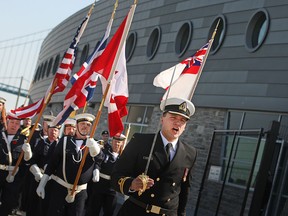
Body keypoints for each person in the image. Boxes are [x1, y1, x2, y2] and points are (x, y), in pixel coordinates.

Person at [111, 97, 197, 216]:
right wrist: (131, 184)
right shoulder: (141, 141)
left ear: (185, 126)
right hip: (137, 211)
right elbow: (116, 175)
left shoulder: (190, 152)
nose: (178, 123)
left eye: (183, 120)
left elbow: (184, 191)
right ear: (162, 119)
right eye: (173, 118)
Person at [36, 113, 103, 216]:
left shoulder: (94, 144)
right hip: (60, 189)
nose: (85, 126)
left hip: (80, 193)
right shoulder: (65, 141)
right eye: (82, 124)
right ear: (76, 126)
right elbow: (52, 164)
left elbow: (99, 159)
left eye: (88, 125)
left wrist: (94, 148)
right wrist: (42, 184)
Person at [86, 133, 126, 216]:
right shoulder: (104, 151)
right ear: (112, 141)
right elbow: (98, 161)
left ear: (122, 143)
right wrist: (96, 169)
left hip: (113, 188)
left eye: (119, 142)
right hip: (100, 185)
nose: (116, 144)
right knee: (93, 210)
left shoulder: (123, 157)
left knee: (109, 211)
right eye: (115, 141)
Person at [0, 115, 32, 216]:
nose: (14, 125)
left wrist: (28, 153)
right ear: (7, 123)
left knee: (8, 203)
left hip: (13, 175)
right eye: (12, 122)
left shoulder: (23, 140)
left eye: (17, 124)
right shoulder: (0, 135)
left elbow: (26, 161)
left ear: (19, 126)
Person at [26, 123, 61, 216]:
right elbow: (33, 160)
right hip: (38, 176)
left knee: (46, 204)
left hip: (51, 180)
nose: (53, 132)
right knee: (33, 201)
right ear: (48, 130)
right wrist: (36, 172)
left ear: (58, 132)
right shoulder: (41, 143)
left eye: (55, 130)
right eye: (51, 130)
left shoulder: (60, 146)